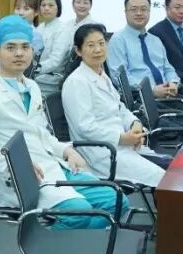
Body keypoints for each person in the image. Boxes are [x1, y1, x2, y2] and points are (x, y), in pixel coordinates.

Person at [0, 15, 128, 228]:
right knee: (80, 213)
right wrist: (16, 165)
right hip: (22, 178)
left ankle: (75, 242)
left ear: (32, 51)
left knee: (118, 202)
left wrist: (66, 150)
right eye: (10, 47)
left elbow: (41, 133)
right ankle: (44, 243)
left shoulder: (32, 87)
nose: (19, 53)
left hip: (53, 164)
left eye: (25, 47)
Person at [62, 24, 165, 187]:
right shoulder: (76, 82)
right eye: (91, 45)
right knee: (164, 179)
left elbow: (120, 108)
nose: (98, 49)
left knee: (171, 168)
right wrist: (122, 138)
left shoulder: (102, 74)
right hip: (102, 152)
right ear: (78, 51)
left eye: (101, 43)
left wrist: (135, 124)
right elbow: (85, 127)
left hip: (124, 145)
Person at [108, 0, 183, 110]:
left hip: (169, 95)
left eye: (144, 9)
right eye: (134, 9)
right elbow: (119, 77)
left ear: (149, 12)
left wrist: (174, 83)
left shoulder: (155, 40)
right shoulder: (118, 40)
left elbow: (168, 68)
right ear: (125, 12)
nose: (139, 13)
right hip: (142, 98)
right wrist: (151, 89)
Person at [33, 0, 70, 95]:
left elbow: (56, 60)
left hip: (52, 80)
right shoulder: (39, 28)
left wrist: (34, 68)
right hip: (36, 76)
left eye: (50, 5)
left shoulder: (63, 29)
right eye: (43, 5)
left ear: (58, 8)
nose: (46, 8)